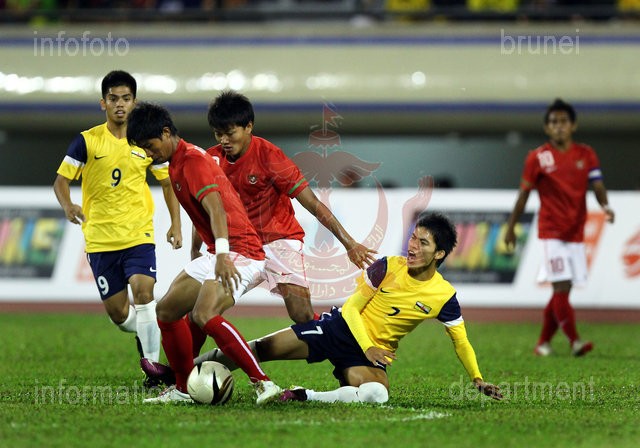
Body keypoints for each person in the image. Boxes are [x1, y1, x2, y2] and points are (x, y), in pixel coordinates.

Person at [198, 212, 503, 404]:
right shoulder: (386, 266)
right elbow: (352, 309)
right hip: (338, 329)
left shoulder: (444, 295)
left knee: (377, 395)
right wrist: (368, 345)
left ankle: (305, 396)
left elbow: (460, 340)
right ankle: (185, 371)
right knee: (263, 348)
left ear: (439, 253)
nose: (412, 246)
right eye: (412, 237)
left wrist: (477, 378)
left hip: (372, 353)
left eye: (422, 243)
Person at [126, 101, 282, 405]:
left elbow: (216, 209)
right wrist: (201, 249)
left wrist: (221, 255)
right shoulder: (176, 163)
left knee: (203, 314)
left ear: (166, 132)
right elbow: (204, 213)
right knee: (167, 311)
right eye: (142, 148)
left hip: (241, 252)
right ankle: (184, 388)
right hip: (219, 250)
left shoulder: (193, 162)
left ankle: (264, 384)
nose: (148, 152)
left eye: (150, 145)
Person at [53, 70, 182, 387]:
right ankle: (146, 331)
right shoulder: (87, 141)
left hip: (138, 234)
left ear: (134, 102)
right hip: (100, 240)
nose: (120, 105)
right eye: (113, 99)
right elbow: (61, 182)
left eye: (126, 99)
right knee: (121, 316)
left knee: (144, 294)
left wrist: (176, 224)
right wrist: (69, 205)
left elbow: (167, 184)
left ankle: (152, 371)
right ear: (103, 103)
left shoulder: (144, 144)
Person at [203, 90, 377, 324]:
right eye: (218, 134)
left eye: (230, 133)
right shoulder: (210, 160)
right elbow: (206, 208)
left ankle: (342, 337)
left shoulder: (271, 157)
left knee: (302, 315)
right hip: (241, 246)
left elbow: (313, 203)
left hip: (279, 241)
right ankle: (183, 363)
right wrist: (198, 249)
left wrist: (350, 244)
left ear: (248, 127)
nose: (223, 140)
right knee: (204, 312)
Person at [504, 98, 615, 357]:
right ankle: (575, 341)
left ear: (573, 125)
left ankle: (542, 344)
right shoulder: (537, 158)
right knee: (561, 287)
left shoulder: (586, 154)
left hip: (576, 231)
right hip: (552, 232)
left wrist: (606, 206)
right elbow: (524, 194)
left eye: (563, 121)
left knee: (561, 292)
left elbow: (597, 185)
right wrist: (511, 227)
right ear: (547, 128)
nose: (559, 126)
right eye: (553, 122)